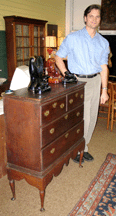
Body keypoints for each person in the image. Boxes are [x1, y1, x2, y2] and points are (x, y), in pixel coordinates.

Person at [55, 4, 109, 163]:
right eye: (91, 16)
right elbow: (58, 57)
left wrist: (104, 90)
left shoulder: (103, 42)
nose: (94, 19)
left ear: (100, 20)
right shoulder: (73, 38)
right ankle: (76, 148)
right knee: (80, 118)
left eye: (97, 17)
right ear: (85, 18)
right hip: (78, 82)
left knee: (92, 118)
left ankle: (83, 147)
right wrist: (67, 75)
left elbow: (104, 67)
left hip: (95, 81)